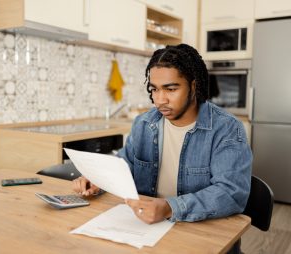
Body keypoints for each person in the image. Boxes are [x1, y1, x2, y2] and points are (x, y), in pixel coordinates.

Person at [72, 44, 252, 226]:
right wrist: (98, 180)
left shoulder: (226, 128)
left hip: (200, 228)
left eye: (171, 89)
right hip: (147, 226)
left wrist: (170, 208)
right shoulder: (143, 123)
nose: (160, 100)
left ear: (193, 85)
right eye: (155, 89)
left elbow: (231, 193)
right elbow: (124, 166)